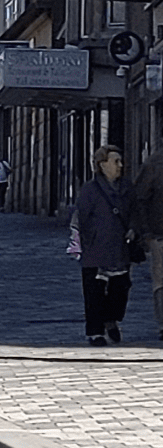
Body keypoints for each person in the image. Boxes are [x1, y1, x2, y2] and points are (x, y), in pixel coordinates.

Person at [73, 144, 135, 346]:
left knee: (121, 290)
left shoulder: (126, 187)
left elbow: (134, 212)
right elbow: (82, 218)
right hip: (96, 250)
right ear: (102, 165)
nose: (120, 165)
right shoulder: (91, 190)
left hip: (119, 249)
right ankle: (95, 332)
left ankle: (111, 319)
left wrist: (134, 229)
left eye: (120, 161)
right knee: (94, 292)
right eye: (115, 161)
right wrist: (88, 242)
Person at [124, 153, 163, 341]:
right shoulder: (154, 164)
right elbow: (139, 199)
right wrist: (146, 232)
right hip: (159, 234)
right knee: (161, 281)